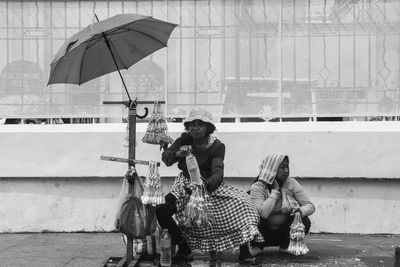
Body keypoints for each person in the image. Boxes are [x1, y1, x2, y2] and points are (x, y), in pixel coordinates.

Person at [155, 107, 263, 265]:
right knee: (161, 210)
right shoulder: (184, 140)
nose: (195, 127)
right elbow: (167, 158)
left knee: (243, 203)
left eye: (200, 124)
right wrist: (178, 154)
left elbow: (218, 171)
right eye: (192, 124)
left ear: (208, 128)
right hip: (185, 186)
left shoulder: (217, 146)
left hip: (209, 186)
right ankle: (184, 247)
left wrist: (206, 184)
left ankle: (244, 253)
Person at [249, 153, 315, 255]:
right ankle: (257, 246)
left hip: (283, 232)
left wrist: (299, 212)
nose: (286, 171)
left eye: (287, 167)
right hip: (263, 233)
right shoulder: (258, 187)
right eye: (282, 167)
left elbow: (310, 206)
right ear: (271, 168)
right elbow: (263, 213)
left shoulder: (291, 183)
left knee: (304, 221)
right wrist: (275, 191)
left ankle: (285, 246)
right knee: (254, 219)